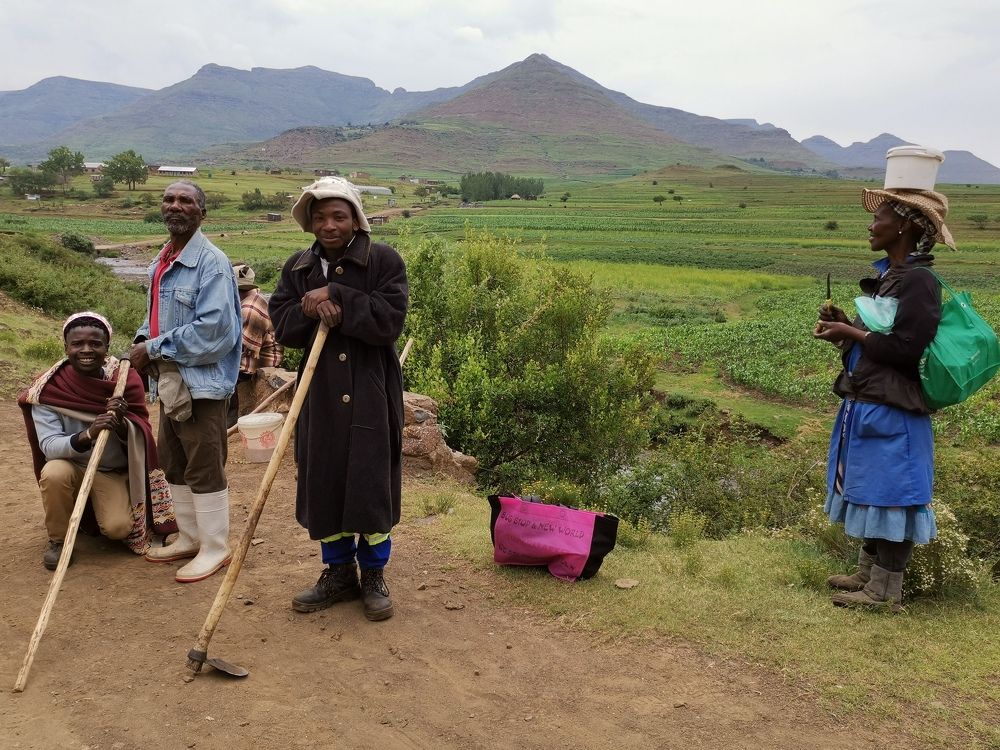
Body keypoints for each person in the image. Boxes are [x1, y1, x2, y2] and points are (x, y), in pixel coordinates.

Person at [269, 177, 408, 621]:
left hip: (370, 392)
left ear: (355, 220)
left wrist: (337, 295)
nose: (328, 225)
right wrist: (307, 308)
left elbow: (388, 322)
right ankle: (337, 572)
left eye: (338, 216)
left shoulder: (383, 261)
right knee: (325, 483)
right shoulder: (298, 267)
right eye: (320, 216)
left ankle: (372, 575)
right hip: (321, 395)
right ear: (309, 221)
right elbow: (282, 323)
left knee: (369, 486)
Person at [814, 187, 955, 611]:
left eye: (881, 219)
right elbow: (875, 345)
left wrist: (853, 333)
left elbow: (906, 349)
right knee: (870, 488)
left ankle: (885, 592)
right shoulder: (890, 277)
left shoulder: (920, 282)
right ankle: (867, 574)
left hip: (896, 408)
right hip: (870, 399)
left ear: (907, 226)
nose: (871, 225)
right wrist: (844, 328)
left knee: (892, 494)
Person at [128, 180, 242, 583]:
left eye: (186, 201)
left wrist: (154, 349)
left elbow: (216, 332)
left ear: (201, 212)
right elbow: (158, 316)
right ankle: (190, 537)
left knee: (204, 463)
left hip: (202, 386)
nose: (176, 206)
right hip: (172, 384)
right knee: (174, 461)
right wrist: (143, 339)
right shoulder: (164, 260)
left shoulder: (211, 263)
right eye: (170, 199)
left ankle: (216, 547)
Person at [18, 312, 176, 570]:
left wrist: (124, 421)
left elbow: (142, 436)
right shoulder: (48, 388)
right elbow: (48, 446)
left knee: (118, 528)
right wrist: (89, 434)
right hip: (70, 465)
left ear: (107, 347)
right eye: (77, 344)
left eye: (95, 344)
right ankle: (58, 540)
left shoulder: (123, 381)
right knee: (54, 472)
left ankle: (92, 512)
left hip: (110, 471)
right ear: (66, 347)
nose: (86, 350)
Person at [226, 262, 284, 428]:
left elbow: (243, 347)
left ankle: (231, 415)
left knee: (227, 370)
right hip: (259, 352)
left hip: (264, 359)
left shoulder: (250, 308)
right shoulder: (253, 299)